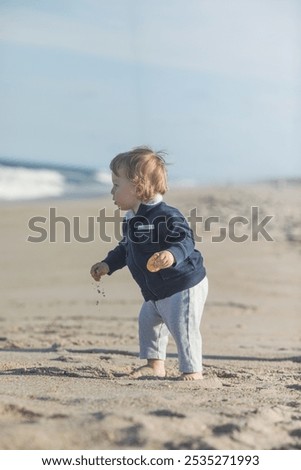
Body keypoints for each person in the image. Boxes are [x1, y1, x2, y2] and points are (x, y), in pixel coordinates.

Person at [90, 146, 208, 380]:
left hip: (183, 284)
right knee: (149, 321)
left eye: (116, 185)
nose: (112, 191)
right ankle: (155, 365)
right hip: (156, 289)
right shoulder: (132, 218)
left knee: (183, 327)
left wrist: (172, 254)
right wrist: (107, 264)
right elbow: (126, 248)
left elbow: (185, 239)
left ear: (137, 186)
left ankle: (192, 369)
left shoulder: (165, 215)